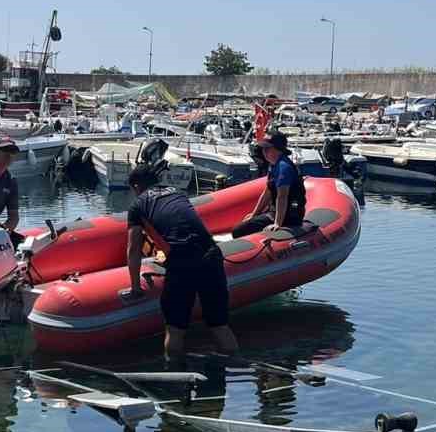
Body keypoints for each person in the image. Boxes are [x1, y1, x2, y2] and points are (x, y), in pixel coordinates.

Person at [126, 163, 239, 359]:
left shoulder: (138, 205)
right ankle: (234, 369)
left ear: (136, 187)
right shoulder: (177, 193)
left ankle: (175, 377)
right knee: (220, 325)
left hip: (183, 262)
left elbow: (133, 249)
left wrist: (136, 287)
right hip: (211, 255)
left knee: (175, 329)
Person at [232, 130, 306, 237]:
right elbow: (267, 192)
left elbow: (282, 196)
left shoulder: (284, 167)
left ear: (279, 149)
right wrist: (254, 214)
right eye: (263, 148)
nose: (264, 152)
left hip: (289, 215)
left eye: (267, 148)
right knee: (244, 223)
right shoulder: (273, 165)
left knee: (238, 231)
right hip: (273, 212)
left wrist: (277, 223)